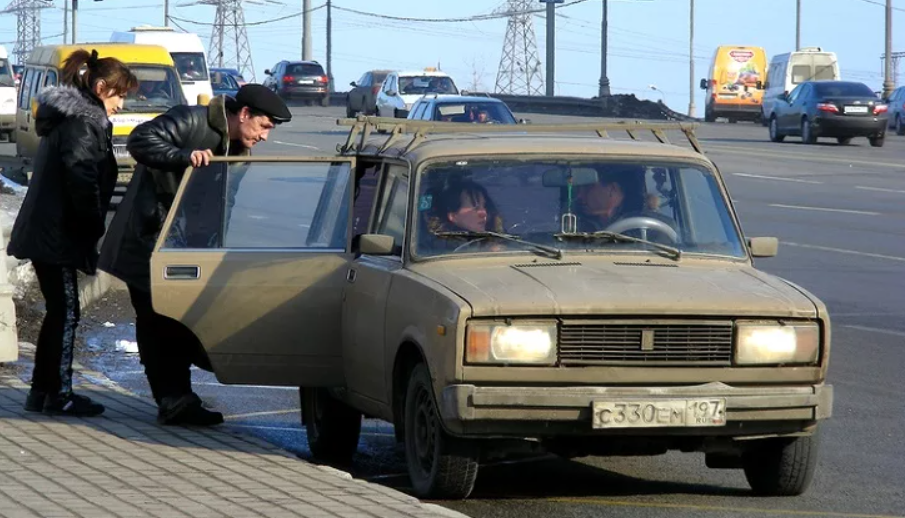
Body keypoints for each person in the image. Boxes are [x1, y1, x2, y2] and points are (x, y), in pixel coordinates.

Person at [98, 84, 291, 426]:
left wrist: (217, 251)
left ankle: (177, 398)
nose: (264, 137)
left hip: (180, 249)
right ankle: (173, 401)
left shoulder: (238, 152)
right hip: (145, 241)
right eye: (263, 126)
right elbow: (139, 141)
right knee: (159, 321)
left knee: (178, 320)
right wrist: (183, 156)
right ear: (244, 114)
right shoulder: (191, 121)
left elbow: (222, 205)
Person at [6, 49, 138, 416]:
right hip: (57, 234)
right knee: (65, 313)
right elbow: (80, 175)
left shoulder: (74, 118)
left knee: (60, 312)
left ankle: (43, 392)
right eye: (120, 95)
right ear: (100, 87)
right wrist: (93, 223)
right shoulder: (83, 123)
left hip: (51, 231)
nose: (122, 105)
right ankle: (58, 394)